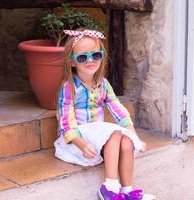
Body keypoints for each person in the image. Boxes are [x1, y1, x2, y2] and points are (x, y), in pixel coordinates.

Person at [54, 29, 147, 200]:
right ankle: (110, 187)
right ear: (73, 62)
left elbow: (117, 108)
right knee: (114, 133)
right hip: (79, 137)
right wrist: (81, 144)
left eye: (95, 55)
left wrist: (133, 134)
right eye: (82, 57)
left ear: (101, 56)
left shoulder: (103, 84)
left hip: (99, 136)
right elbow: (66, 120)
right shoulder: (69, 87)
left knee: (126, 142)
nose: (90, 61)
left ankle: (126, 191)